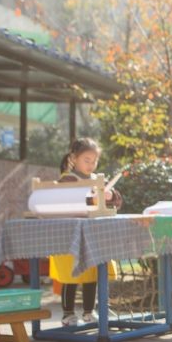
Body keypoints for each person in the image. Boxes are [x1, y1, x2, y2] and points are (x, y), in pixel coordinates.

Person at [49, 138, 123, 327]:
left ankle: (89, 312)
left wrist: (110, 195)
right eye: (87, 160)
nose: (91, 165)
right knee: (71, 276)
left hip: (93, 236)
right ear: (74, 158)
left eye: (94, 161)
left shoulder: (98, 180)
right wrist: (89, 197)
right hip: (70, 235)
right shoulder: (67, 179)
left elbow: (117, 202)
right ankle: (68, 314)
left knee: (92, 275)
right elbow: (64, 202)